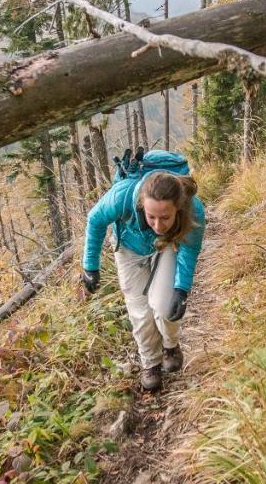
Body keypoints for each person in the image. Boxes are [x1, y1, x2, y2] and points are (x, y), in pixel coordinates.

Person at [81, 155, 205, 392]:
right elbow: (95, 220)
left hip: (167, 244)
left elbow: (189, 249)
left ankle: (171, 346)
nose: (157, 224)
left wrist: (182, 289)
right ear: (141, 204)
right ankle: (151, 364)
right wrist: (90, 266)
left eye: (165, 217)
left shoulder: (193, 209)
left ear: (178, 209)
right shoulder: (122, 196)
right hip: (128, 247)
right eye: (151, 217)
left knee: (164, 304)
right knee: (140, 310)